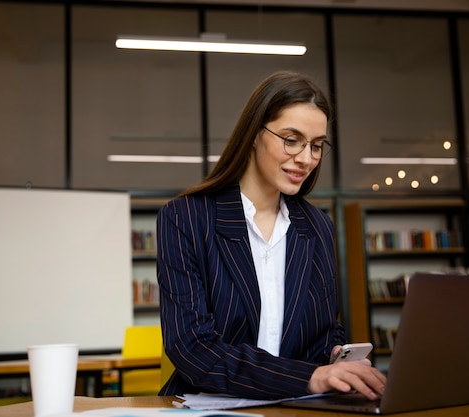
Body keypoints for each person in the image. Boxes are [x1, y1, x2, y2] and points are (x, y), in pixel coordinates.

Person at [156, 71, 386, 400]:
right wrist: (310, 377)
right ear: (253, 133)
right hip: (208, 405)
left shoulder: (318, 226)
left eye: (317, 145)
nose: (306, 159)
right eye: (291, 140)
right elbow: (193, 347)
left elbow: (324, 330)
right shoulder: (185, 218)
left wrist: (337, 360)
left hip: (296, 408)